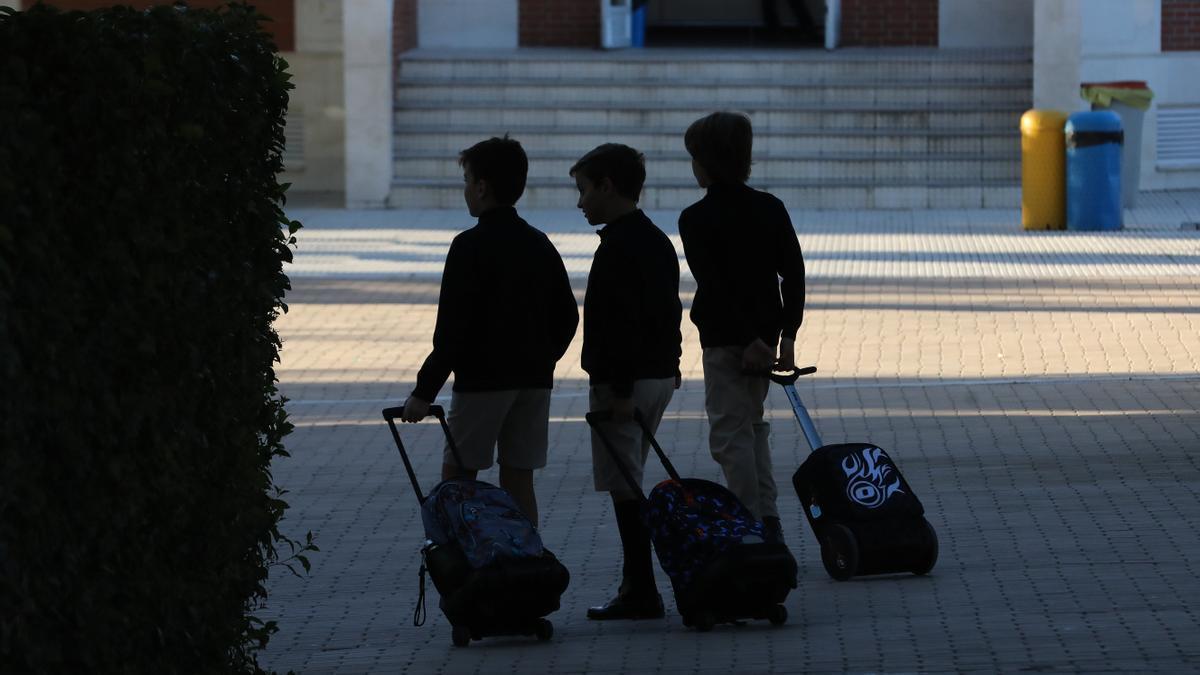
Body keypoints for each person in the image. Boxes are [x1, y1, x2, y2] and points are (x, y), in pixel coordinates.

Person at [400, 136, 578, 529]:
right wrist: (541, 358)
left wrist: (423, 391)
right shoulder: (539, 243)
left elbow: (452, 330)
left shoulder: (469, 246)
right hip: (533, 382)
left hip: (482, 383)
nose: (465, 189)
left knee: (459, 479)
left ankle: (467, 570)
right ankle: (527, 562)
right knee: (518, 479)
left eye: (467, 180)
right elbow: (567, 315)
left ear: (481, 187)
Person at [678, 111, 805, 544]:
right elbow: (793, 273)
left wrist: (750, 338)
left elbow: (714, 285)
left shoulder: (695, 218)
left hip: (726, 338)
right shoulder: (770, 208)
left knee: (730, 433)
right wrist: (783, 335)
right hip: (766, 338)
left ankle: (752, 524)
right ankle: (767, 518)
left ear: (707, 162)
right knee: (752, 427)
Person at [572, 143, 683, 620]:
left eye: (584, 191)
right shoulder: (655, 239)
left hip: (627, 385)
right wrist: (673, 365)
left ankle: (641, 588)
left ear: (607, 186)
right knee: (630, 481)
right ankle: (638, 585)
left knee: (626, 488)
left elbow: (619, 327)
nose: (580, 203)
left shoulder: (618, 247)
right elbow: (667, 313)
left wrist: (616, 391)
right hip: (657, 375)